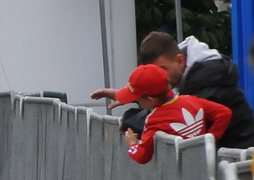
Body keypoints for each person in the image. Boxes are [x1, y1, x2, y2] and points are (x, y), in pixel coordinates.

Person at [91, 32, 254, 150]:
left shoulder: (207, 83)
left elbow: (168, 117)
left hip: (239, 172)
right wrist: (135, 95)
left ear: (180, 61)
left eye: (162, 69)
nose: (159, 77)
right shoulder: (196, 76)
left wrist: (128, 120)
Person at [120, 62, 232, 164]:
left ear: (150, 100)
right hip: (205, 163)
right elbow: (224, 113)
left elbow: (142, 156)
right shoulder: (191, 100)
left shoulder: (154, 120)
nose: (136, 102)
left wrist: (132, 144)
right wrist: (209, 139)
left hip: (182, 172)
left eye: (137, 100)